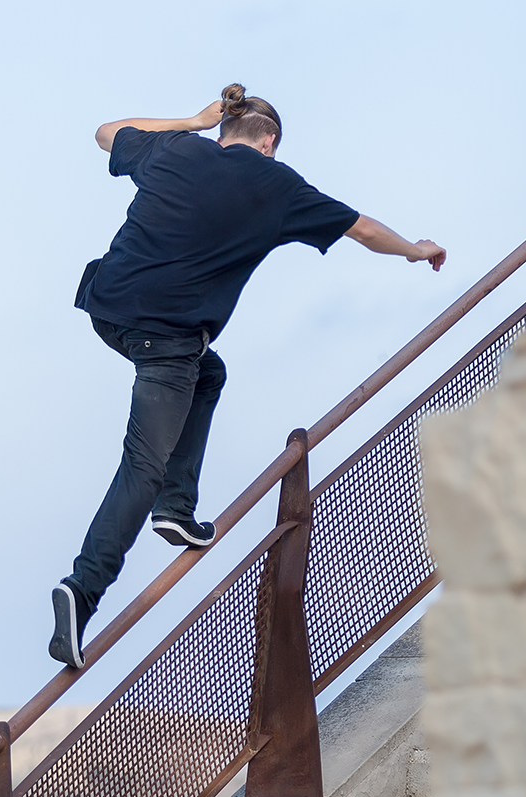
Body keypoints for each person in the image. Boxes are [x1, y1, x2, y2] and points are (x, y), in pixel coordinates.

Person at [52, 84, 446, 669]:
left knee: (209, 375)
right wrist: (415, 250)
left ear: (223, 131)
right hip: (166, 338)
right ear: (270, 144)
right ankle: (81, 592)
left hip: (108, 308)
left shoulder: (177, 150)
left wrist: (190, 120)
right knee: (143, 462)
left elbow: (105, 132)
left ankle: (176, 509)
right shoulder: (277, 184)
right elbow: (362, 230)